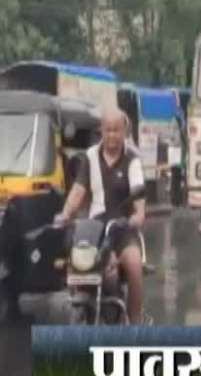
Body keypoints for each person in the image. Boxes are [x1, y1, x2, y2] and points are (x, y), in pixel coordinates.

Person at [54, 108, 148, 324]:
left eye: (116, 130)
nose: (112, 135)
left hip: (122, 228)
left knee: (134, 265)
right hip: (95, 229)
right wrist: (65, 214)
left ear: (124, 131)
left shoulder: (132, 160)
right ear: (101, 132)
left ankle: (135, 322)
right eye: (108, 130)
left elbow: (139, 200)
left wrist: (137, 216)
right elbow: (78, 190)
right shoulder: (90, 156)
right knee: (75, 262)